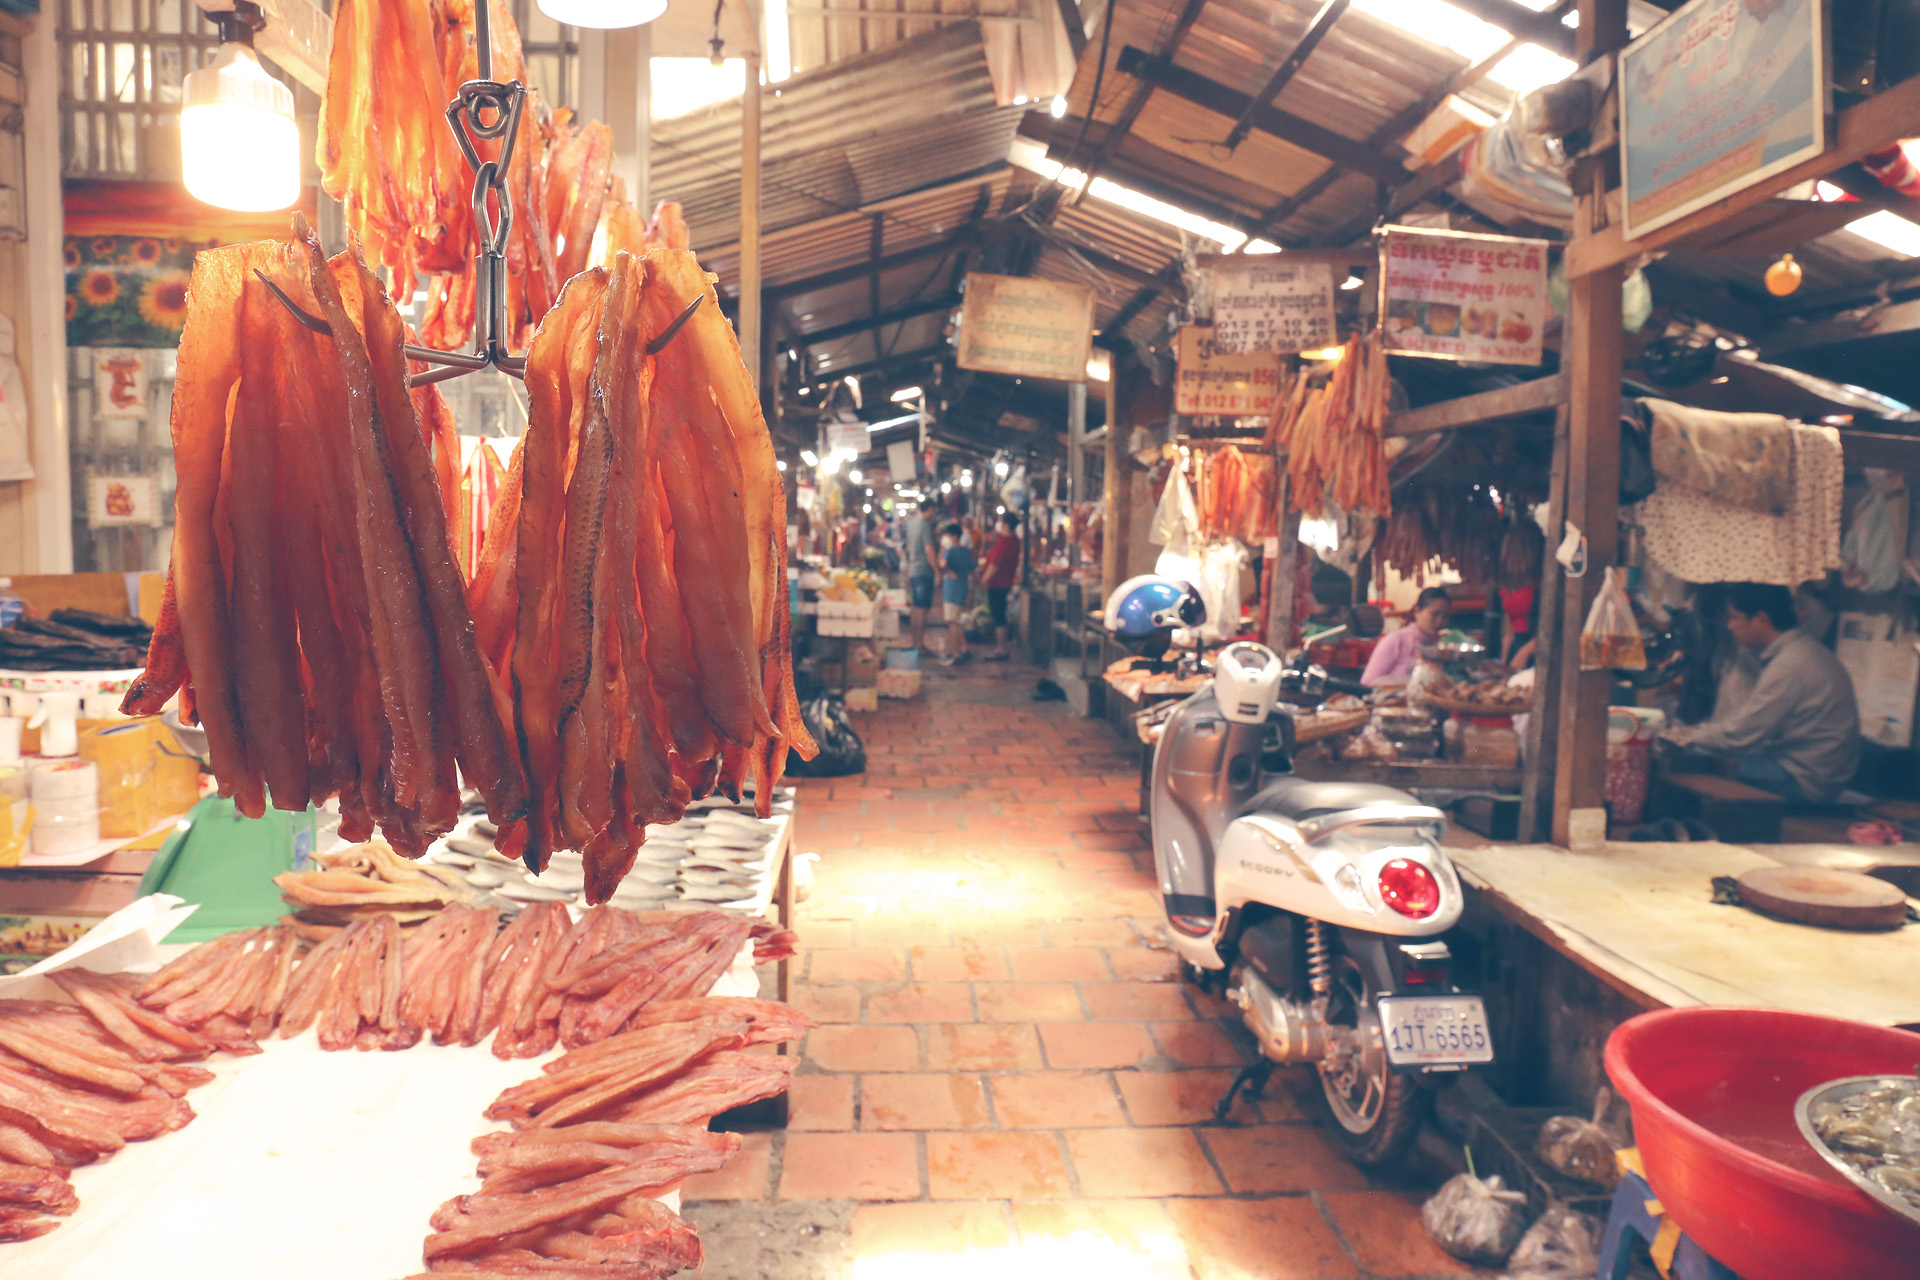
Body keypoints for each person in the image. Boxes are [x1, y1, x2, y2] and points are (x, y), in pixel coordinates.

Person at [1657, 582, 1861, 803]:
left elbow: (1739, 737)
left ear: (1761, 620)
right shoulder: (1801, 651)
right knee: (1699, 753)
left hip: (1804, 780)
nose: (1729, 626)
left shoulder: (1791, 665)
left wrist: (1683, 737)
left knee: (1692, 762)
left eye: (1735, 617)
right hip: (1808, 770)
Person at [1361, 586, 1451, 687]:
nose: (1440, 621)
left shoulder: (1437, 646)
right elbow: (1367, 682)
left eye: (1445, 616)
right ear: (1417, 612)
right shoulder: (1395, 640)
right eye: (1435, 614)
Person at [976, 511, 1022, 662]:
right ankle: (1002, 648)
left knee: (998, 615)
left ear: (1007, 525)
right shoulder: (1015, 541)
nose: (1000, 525)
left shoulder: (1004, 541)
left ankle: (1001, 649)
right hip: (1006, 582)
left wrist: (984, 580)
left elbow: (994, 565)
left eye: (1002, 522)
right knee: (1000, 614)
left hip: (998, 583)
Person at [938, 521, 974, 666]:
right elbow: (972, 568)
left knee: (952, 623)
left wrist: (942, 550)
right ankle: (963, 649)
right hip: (962, 588)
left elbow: (942, 564)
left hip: (951, 590)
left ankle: (954, 653)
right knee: (956, 621)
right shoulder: (966, 551)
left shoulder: (950, 551)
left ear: (953, 536)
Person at [903, 505, 937, 651]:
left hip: (913, 570)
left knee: (916, 608)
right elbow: (929, 549)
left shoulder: (911, 524)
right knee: (922, 609)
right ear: (930, 509)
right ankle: (920, 643)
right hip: (924, 570)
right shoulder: (926, 526)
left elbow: (908, 547)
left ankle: (915, 641)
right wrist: (936, 570)